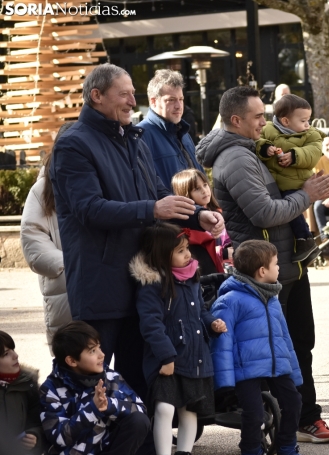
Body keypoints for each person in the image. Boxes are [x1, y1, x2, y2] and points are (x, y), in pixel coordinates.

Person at [50, 63, 224, 403]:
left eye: (133, 93)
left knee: (140, 377)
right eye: (124, 94)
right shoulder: (73, 144)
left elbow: (159, 193)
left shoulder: (133, 138)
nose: (133, 102)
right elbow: (89, 209)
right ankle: (81, 451)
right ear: (96, 96)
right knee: (89, 380)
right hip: (102, 283)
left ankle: (142, 453)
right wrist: (151, 210)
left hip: (144, 282)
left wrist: (198, 215)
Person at [196, 86, 329, 444]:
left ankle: (300, 418)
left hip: (283, 265)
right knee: (279, 350)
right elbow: (264, 211)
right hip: (264, 272)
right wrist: (308, 194)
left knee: (297, 344)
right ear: (235, 120)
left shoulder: (250, 150)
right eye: (259, 116)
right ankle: (290, 422)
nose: (266, 122)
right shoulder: (236, 159)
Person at [131, 222, 227, 455]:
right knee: (164, 407)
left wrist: (211, 323)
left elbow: (200, 312)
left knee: (189, 409)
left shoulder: (192, 275)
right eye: (181, 251)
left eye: (187, 249)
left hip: (194, 356)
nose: (188, 255)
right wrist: (166, 356)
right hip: (168, 359)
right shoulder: (153, 284)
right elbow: (151, 324)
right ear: (163, 255)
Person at [211, 240, 312, 455]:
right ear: (262, 271)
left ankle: (286, 448)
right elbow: (222, 341)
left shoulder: (273, 298)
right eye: (276, 264)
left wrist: (293, 369)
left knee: (293, 402)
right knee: (254, 412)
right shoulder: (231, 299)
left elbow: (284, 336)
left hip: (277, 364)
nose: (279, 269)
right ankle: (250, 453)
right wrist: (224, 379)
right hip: (245, 368)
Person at [40, 321, 150, 455]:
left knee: (139, 421)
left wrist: (109, 405)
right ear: (72, 361)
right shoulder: (50, 388)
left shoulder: (111, 378)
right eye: (92, 351)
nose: (102, 354)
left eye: (99, 347)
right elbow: (58, 437)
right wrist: (92, 410)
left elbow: (141, 411)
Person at [20, 122, 74, 348]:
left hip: (101, 283)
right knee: (70, 357)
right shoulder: (43, 189)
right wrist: (67, 264)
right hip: (64, 287)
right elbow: (32, 236)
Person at [256, 94, 325, 261]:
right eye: (303, 120)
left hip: (297, 182)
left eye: (309, 119)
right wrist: (266, 148)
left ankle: (305, 239)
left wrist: (294, 156)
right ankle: (299, 244)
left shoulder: (311, 134)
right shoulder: (268, 129)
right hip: (274, 183)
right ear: (285, 121)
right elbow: (257, 141)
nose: (308, 124)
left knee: (291, 207)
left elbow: (313, 153)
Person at [138, 69, 204, 189]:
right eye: (171, 100)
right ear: (153, 101)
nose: (179, 106)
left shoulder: (183, 133)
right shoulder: (140, 136)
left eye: (181, 99)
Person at [172, 169, 232, 274]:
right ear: (185, 195)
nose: (204, 190)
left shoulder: (218, 212)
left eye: (205, 185)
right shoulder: (187, 229)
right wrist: (224, 253)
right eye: (197, 189)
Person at [0, 331, 43, 455]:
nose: (15, 356)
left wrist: (33, 435)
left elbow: (37, 419)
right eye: (6, 354)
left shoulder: (27, 385)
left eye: (13, 349)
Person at [313, 137, 329, 233]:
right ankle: (324, 237)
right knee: (317, 207)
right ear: (323, 148)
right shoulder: (318, 162)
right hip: (325, 193)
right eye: (327, 145)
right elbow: (318, 182)